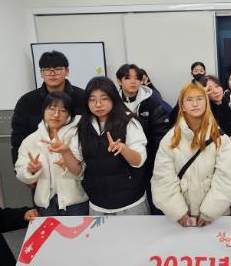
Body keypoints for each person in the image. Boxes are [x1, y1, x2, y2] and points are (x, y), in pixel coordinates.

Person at [152, 81, 231, 226]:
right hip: (181, 220)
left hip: (215, 218)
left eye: (200, 98)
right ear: (182, 106)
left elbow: (228, 177)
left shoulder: (220, 138)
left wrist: (210, 212)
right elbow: (163, 179)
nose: (195, 104)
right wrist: (178, 212)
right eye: (189, 99)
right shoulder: (169, 140)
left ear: (206, 103)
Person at [67, 76, 149, 215]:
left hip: (131, 201)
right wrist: (65, 152)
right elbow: (78, 171)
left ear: (113, 98)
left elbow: (139, 161)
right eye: (92, 100)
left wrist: (123, 148)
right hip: (97, 203)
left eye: (104, 98)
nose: (98, 104)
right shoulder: (82, 127)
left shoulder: (129, 122)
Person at [14, 92, 88, 216]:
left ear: (69, 115)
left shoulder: (77, 134)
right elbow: (20, 170)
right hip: (46, 204)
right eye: (52, 109)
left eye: (63, 110)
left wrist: (67, 160)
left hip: (75, 202)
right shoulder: (31, 140)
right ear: (43, 111)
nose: (56, 114)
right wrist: (31, 170)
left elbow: (84, 168)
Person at [10, 50, 85, 163]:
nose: (52, 73)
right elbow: (18, 139)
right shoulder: (27, 101)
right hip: (39, 163)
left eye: (57, 69)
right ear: (41, 73)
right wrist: (22, 168)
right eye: (47, 69)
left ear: (67, 71)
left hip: (75, 161)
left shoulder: (82, 97)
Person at [116, 64, 171, 214]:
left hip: (150, 162)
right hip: (122, 162)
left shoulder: (153, 102)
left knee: (155, 202)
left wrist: (158, 161)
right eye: (128, 78)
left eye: (137, 78)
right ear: (119, 81)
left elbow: (161, 135)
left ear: (142, 80)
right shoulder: (113, 104)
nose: (133, 81)